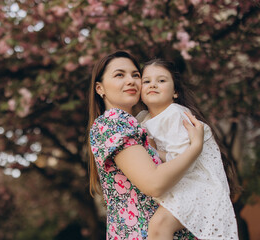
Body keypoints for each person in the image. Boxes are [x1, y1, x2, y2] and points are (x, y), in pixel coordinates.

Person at [88, 50, 204, 240]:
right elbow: (154, 183)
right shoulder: (113, 122)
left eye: (136, 75)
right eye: (119, 75)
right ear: (100, 88)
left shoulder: (135, 124)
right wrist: (195, 148)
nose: (131, 81)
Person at [136, 58, 239, 240]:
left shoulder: (176, 114)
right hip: (178, 182)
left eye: (161, 80)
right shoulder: (143, 119)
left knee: (159, 226)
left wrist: (150, 151)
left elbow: (185, 160)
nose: (153, 85)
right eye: (147, 81)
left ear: (175, 92)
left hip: (199, 184)